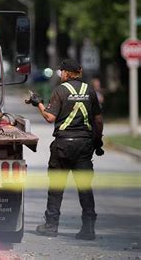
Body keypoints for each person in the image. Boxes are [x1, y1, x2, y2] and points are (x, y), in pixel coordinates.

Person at [25, 58, 104, 240]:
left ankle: (51, 226)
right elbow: (98, 120)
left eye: (62, 72)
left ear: (67, 73)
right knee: (84, 187)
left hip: (63, 146)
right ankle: (88, 229)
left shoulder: (60, 91)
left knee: (56, 186)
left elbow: (50, 117)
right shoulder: (89, 90)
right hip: (84, 146)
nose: (60, 74)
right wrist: (97, 141)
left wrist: (38, 103)